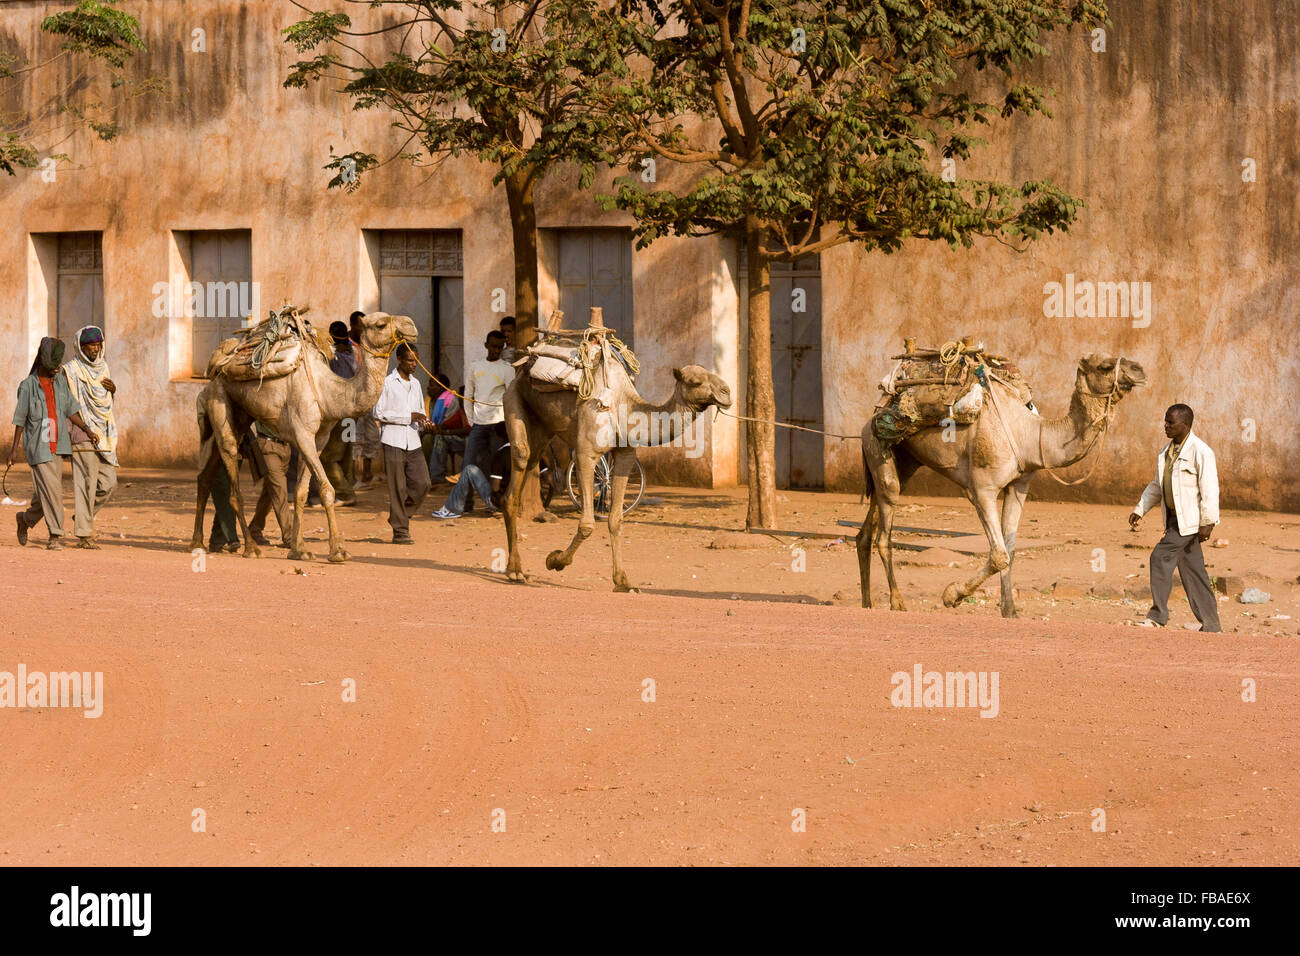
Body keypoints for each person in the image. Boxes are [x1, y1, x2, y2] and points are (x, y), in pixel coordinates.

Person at [1129, 403, 1221, 632]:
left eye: (1171, 422)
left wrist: (1208, 522)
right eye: (1165, 421)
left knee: (1159, 557)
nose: (1166, 426)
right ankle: (1212, 625)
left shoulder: (1201, 451)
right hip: (1172, 520)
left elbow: (1210, 489)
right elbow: (1157, 485)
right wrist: (1140, 509)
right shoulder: (1166, 452)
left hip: (1188, 523)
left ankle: (1157, 616)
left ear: (1186, 425)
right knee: (1194, 573)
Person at [8, 337, 101, 550]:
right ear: (42, 363)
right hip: (37, 447)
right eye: (53, 367)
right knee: (53, 492)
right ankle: (55, 535)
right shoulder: (28, 386)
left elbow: (70, 408)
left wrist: (86, 429)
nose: (56, 370)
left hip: (59, 445)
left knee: (46, 494)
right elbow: (20, 419)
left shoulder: (59, 381)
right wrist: (14, 450)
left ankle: (25, 519)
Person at [61, 326, 118, 548]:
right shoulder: (71, 371)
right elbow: (66, 405)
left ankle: (83, 518)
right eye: (90, 345)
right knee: (85, 483)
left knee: (109, 483)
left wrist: (113, 390)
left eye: (97, 345)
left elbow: (104, 404)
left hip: (103, 435)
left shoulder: (104, 368)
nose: (95, 349)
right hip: (81, 433)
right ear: (81, 347)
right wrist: (80, 431)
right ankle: (84, 535)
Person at [374, 343, 431, 543]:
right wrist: (408, 417)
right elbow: (378, 412)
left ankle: (399, 517)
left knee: (423, 483)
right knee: (397, 488)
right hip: (393, 440)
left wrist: (425, 422)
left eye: (416, 360)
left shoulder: (416, 383)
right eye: (409, 360)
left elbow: (419, 412)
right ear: (399, 360)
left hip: (413, 440)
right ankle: (400, 531)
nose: (414, 364)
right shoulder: (387, 382)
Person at [463, 330, 512, 511]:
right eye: (493, 346)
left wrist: (506, 424)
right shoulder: (475, 366)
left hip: (498, 425)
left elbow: (510, 398)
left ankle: (495, 504)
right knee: (468, 463)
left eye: (500, 347)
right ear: (486, 345)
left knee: (495, 467)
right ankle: (467, 503)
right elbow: (468, 395)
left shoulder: (507, 369)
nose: (496, 350)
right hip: (478, 424)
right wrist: (471, 420)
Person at [313, 320, 359, 506]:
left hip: (338, 412)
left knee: (328, 456)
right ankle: (348, 488)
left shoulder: (333, 358)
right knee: (347, 453)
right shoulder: (352, 356)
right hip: (352, 413)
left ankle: (345, 493)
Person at [349, 310, 382, 489]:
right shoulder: (346, 346)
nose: (363, 330)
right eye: (360, 327)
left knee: (371, 434)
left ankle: (368, 472)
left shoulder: (368, 344)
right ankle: (353, 476)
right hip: (352, 397)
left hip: (369, 395)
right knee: (353, 436)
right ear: (353, 325)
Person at [247, 421, 293, 547]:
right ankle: (290, 537)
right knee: (280, 490)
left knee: (269, 493)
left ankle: (254, 530)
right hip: (268, 446)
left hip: (285, 447)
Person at [423, 376, 470, 483]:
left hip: (468, 441)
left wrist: (445, 431)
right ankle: (436, 475)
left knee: (471, 440)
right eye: (460, 397)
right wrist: (438, 429)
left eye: (462, 398)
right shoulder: (429, 400)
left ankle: (465, 476)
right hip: (458, 440)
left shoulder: (471, 410)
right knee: (439, 437)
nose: (460, 400)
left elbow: (468, 429)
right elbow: (446, 424)